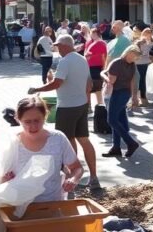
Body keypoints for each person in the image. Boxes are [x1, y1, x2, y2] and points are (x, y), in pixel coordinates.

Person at [28, 35, 101, 190]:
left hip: (67, 106)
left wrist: (37, 89)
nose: (57, 49)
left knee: (66, 142)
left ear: (65, 46)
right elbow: (89, 84)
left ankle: (70, 178)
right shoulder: (81, 59)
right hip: (81, 104)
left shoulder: (65, 61)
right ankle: (93, 177)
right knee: (83, 140)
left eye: (58, 46)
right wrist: (85, 100)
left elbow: (57, 83)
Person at [1, 95, 84, 200]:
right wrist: (5, 180)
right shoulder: (11, 142)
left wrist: (73, 179)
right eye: (27, 122)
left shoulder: (58, 138)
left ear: (45, 116)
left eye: (37, 120)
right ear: (18, 119)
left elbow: (77, 167)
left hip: (53, 202)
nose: (33, 126)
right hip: (19, 203)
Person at [101, 45, 142, 158]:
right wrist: (133, 96)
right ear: (127, 52)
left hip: (118, 93)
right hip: (124, 94)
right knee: (117, 120)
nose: (133, 59)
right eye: (133, 56)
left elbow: (111, 81)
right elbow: (132, 81)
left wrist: (102, 75)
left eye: (135, 58)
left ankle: (131, 143)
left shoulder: (117, 63)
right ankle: (116, 147)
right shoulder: (129, 65)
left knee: (112, 120)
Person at [83, 27, 108, 106]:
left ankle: (100, 105)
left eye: (94, 33)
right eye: (91, 33)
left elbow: (104, 56)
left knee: (96, 87)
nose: (92, 35)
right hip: (89, 66)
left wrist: (104, 67)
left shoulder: (100, 43)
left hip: (96, 67)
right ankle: (90, 105)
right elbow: (85, 53)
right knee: (89, 87)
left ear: (98, 34)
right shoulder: (89, 42)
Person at [135, 28, 153, 108]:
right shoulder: (140, 42)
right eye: (147, 32)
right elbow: (139, 53)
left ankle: (143, 99)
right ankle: (142, 99)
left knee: (144, 82)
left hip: (148, 64)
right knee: (141, 81)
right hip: (141, 64)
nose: (148, 34)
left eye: (149, 32)